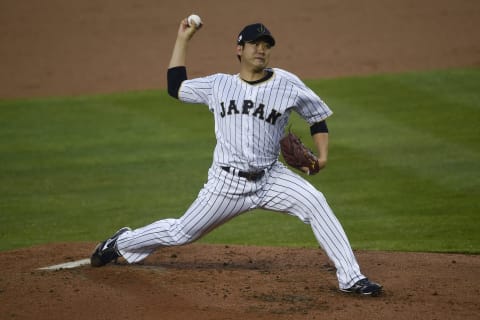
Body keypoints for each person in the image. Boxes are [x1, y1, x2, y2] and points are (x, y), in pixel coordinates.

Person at [90, 17, 382, 296]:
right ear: (239, 50)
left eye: (266, 45)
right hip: (225, 184)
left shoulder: (287, 83)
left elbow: (317, 118)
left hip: (271, 178)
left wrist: (323, 156)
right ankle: (122, 242)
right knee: (182, 232)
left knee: (315, 202)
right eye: (255, 44)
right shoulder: (219, 85)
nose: (261, 49)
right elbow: (175, 88)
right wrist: (182, 39)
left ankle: (351, 278)